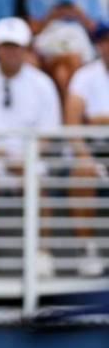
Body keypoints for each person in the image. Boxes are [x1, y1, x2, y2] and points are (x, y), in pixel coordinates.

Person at [0, 17, 59, 279]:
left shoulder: (42, 84)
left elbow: (49, 133)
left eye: (15, 47)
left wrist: (23, 158)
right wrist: (2, 157)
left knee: (37, 183)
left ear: (26, 49)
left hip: (29, 158)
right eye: (5, 46)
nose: (10, 52)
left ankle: (42, 253)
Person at [27, 0, 106, 98]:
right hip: (49, 45)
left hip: (80, 44)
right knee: (66, 67)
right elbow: (33, 30)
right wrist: (52, 16)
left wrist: (79, 15)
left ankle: (68, 107)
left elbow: (98, 32)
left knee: (63, 73)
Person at [62, 22, 109, 277]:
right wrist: (85, 157)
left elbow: (89, 119)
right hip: (92, 151)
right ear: (99, 45)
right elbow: (72, 123)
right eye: (106, 40)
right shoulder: (85, 76)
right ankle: (87, 248)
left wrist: (100, 120)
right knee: (83, 172)